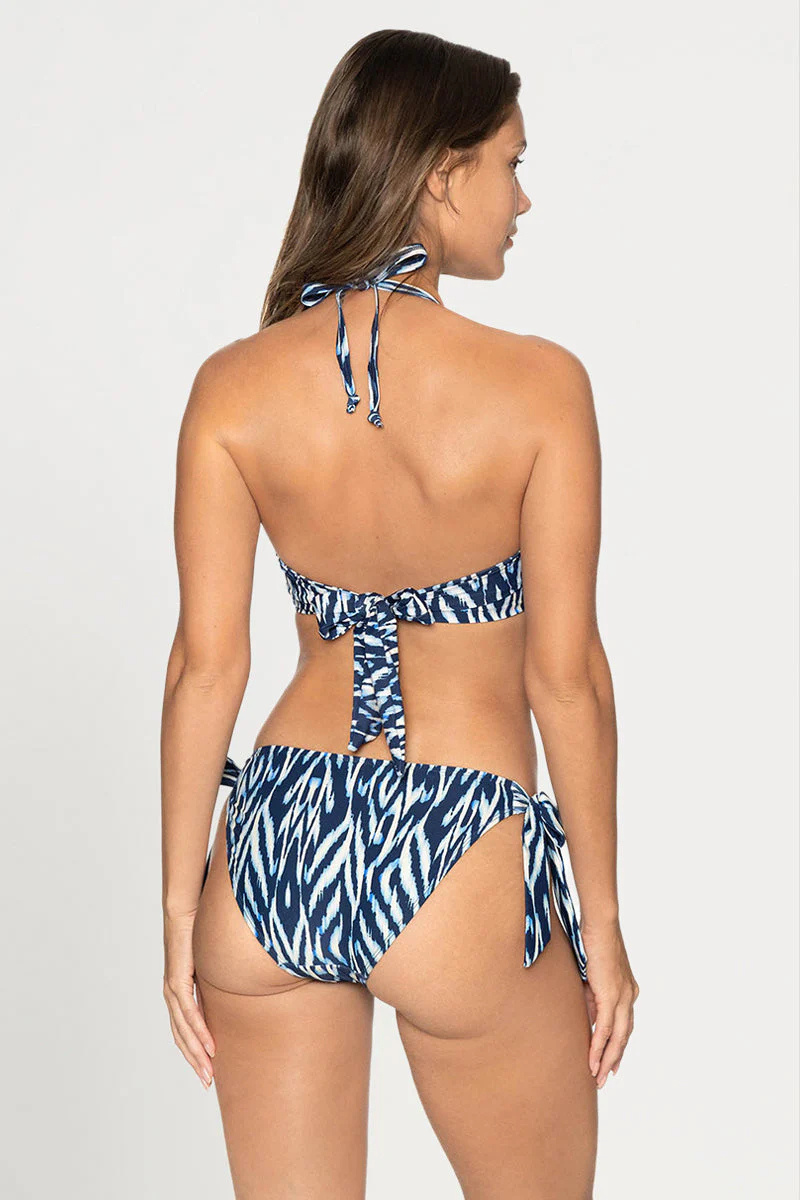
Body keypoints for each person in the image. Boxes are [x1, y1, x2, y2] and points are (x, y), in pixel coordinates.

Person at [160, 28, 638, 1200]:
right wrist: (600, 921)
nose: (521, 199)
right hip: (458, 843)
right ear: (438, 174)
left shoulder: (232, 386)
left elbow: (203, 668)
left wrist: (178, 909)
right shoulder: (537, 386)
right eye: (509, 164)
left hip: (272, 844)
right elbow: (564, 676)